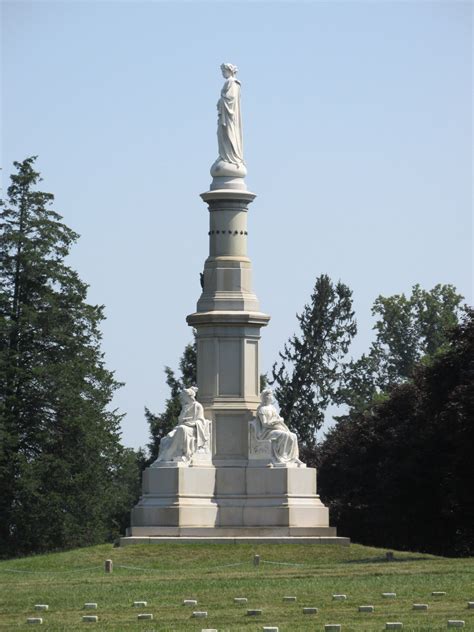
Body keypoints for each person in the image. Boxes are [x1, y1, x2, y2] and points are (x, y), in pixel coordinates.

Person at [155, 387, 210, 463]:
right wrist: (183, 416)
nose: (182, 398)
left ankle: (175, 454)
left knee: (182, 429)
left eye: (183, 397)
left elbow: (201, 420)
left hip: (193, 429)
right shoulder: (185, 407)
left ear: (188, 396)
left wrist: (192, 423)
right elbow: (180, 420)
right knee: (166, 438)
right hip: (182, 427)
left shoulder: (197, 406)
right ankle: (167, 456)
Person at [254, 388, 302, 464]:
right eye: (267, 396)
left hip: (277, 428)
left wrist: (279, 420)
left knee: (293, 436)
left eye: (270, 396)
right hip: (266, 432)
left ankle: (293, 457)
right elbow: (265, 424)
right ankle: (281, 457)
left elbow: (278, 417)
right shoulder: (262, 409)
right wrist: (276, 422)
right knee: (284, 435)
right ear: (264, 398)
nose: (269, 397)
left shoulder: (272, 408)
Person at [216, 63, 244, 167]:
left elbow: (230, 98)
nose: (223, 74)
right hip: (226, 115)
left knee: (228, 134)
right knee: (221, 134)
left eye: (224, 71)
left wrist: (221, 100)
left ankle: (230, 156)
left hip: (229, 116)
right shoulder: (231, 83)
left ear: (229, 71)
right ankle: (224, 155)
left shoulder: (231, 82)